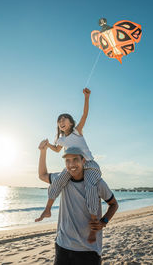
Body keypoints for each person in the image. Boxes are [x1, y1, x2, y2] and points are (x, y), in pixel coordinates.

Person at [35, 88, 102, 243]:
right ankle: (47, 209)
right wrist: (47, 146)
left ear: (71, 122)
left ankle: (93, 226)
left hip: (89, 165)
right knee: (58, 181)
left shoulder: (77, 132)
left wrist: (86, 97)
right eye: (59, 121)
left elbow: (85, 115)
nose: (61, 122)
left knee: (91, 188)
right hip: (73, 166)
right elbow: (57, 150)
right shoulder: (61, 140)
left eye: (64, 119)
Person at [37, 141, 118, 264]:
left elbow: (114, 204)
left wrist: (103, 222)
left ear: (83, 161)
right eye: (68, 161)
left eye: (75, 159)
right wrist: (43, 151)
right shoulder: (62, 180)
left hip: (89, 250)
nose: (72, 164)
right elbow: (42, 175)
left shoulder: (97, 182)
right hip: (63, 246)